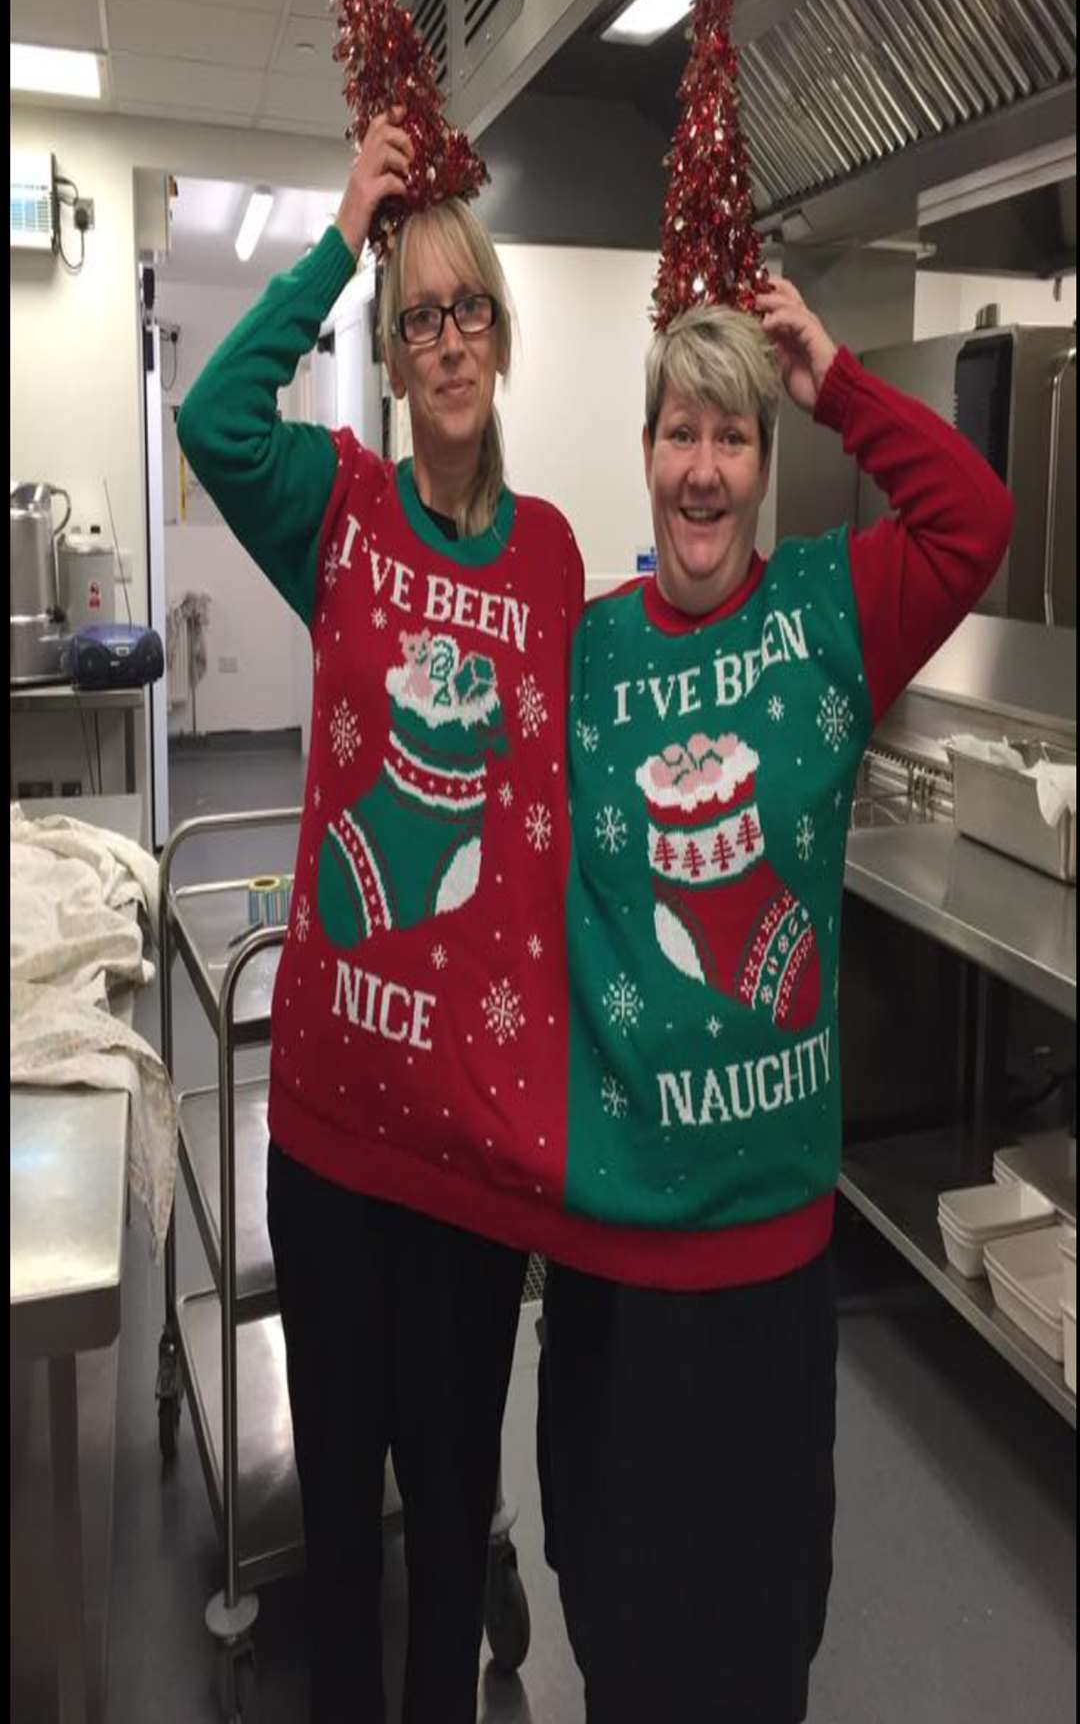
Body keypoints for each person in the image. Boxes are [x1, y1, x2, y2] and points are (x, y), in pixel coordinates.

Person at [537, 276, 1014, 1724]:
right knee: (617, 1625)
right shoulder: (590, 649)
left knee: (757, 1644)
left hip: (767, 1262)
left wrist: (834, 385)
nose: (702, 467)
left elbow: (976, 524)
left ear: (763, 461)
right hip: (613, 1256)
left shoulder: (830, 606)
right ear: (645, 451)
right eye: (678, 431)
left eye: (733, 437)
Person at [177, 110, 586, 1724]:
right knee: (339, 1510)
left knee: (447, 1500)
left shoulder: (552, 562)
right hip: (337, 1133)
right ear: (394, 357)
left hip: (473, 1152)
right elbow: (216, 415)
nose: (447, 339)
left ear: (500, 333)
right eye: (418, 318)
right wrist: (348, 230)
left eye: (466, 308)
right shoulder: (340, 512)